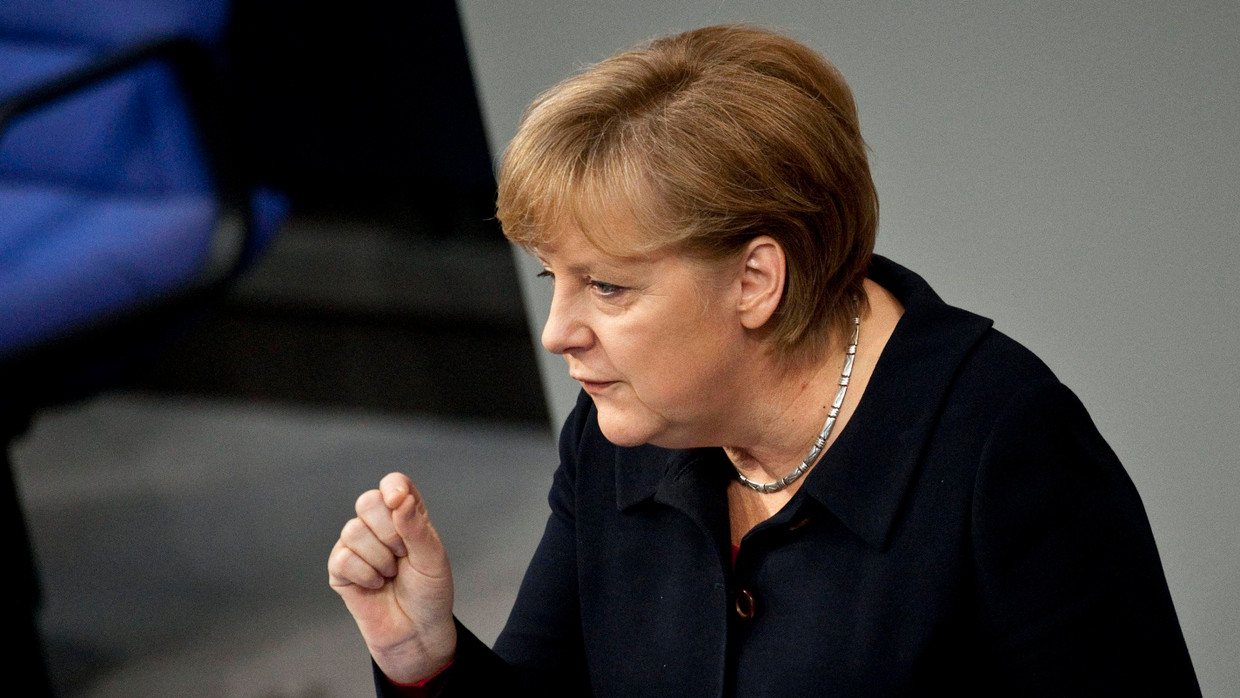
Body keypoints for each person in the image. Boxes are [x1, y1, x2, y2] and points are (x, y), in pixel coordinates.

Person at [328, 25, 1200, 697]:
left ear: (755, 280)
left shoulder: (1004, 448)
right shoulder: (616, 436)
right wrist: (424, 660)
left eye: (607, 287)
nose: (558, 332)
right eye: (553, 278)